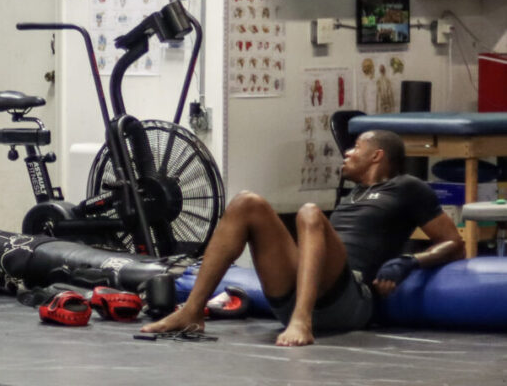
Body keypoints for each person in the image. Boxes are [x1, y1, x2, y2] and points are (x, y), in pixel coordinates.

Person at [142, 129, 463, 346]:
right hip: (295, 294)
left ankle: (301, 320)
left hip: (349, 300)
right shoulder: (353, 195)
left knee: (309, 212)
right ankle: (191, 313)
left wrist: (408, 261)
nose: (347, 153)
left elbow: (454, 243)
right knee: (246, 203)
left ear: (377, 156)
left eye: (356, 149)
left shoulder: (407, 187)